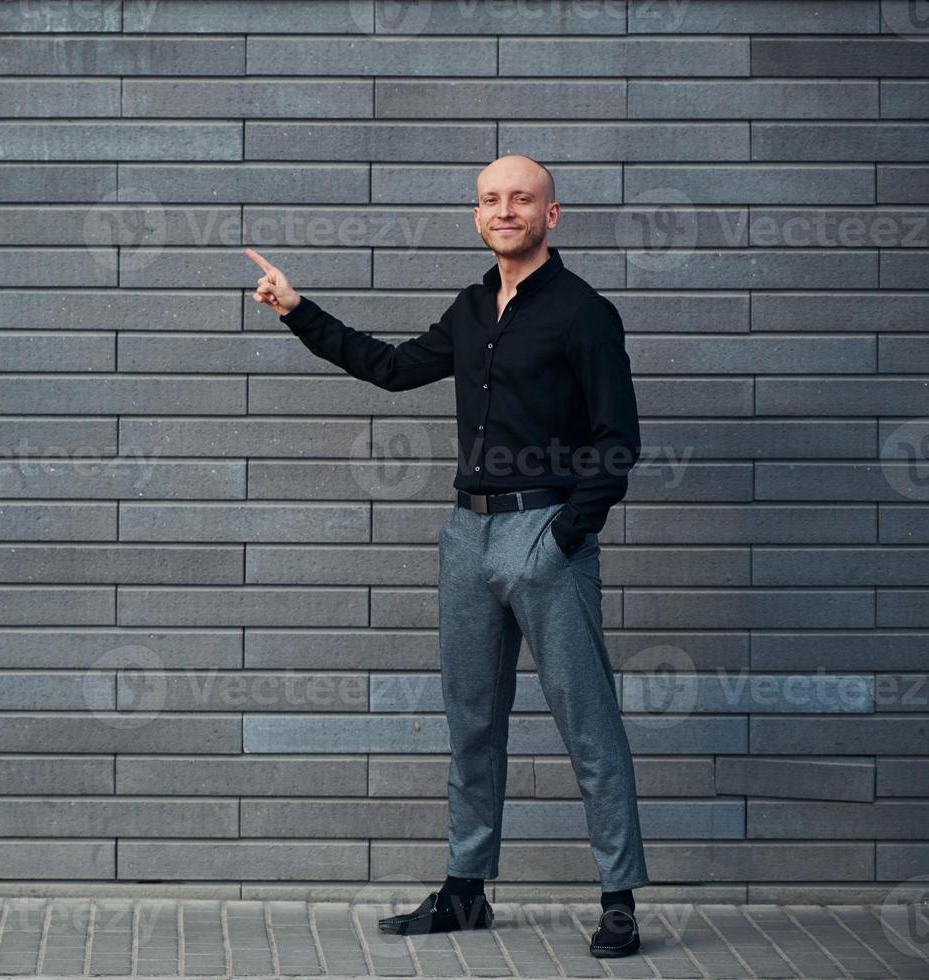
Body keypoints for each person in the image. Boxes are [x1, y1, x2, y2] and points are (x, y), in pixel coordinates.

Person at [245, 155, 648, 959]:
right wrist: (296, 309)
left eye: (522, 199)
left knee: (588, 723)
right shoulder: (471, 308)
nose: (506, 210)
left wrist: (567, 536)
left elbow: (618, 441)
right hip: (467, 536)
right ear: (477, 215)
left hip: (544, 536)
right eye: (492, 200)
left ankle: (619, 898)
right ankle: (466, 893)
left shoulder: (584, 313)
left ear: (551, 215)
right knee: (471, 720)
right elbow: (392, 369)